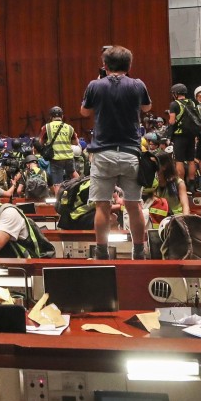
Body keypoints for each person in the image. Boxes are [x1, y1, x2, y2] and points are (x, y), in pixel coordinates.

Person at [80, 45, 152, 260]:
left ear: (104, 65)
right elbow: (147, 108)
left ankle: (101, 253)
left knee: (102, 206)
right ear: (129, 65)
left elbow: (84, 111)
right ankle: (139, 252)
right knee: (134, 205)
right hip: (130, 152)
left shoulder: (95, 85)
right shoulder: (138, 85)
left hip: (103, 153)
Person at [38, 106, 77, 190]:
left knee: (57, 184)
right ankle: (81, 187)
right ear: (62, 116)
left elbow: (40, 142)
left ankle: (59, 202)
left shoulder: (47, 127)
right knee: (73, 174)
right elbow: (75, 142)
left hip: (56, 159)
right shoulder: (69, 127)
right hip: (69, 157)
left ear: (51, 117)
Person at [167, 83, 197, 187]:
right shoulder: (191, 103)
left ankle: (181, 183)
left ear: (175, 93)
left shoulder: (174, 104)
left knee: (179, 160)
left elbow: (172, 121)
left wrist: (168, 135)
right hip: (191, 135)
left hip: (179, 136)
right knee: (191, 160)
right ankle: (192, 183)